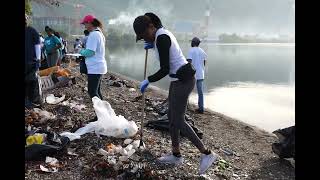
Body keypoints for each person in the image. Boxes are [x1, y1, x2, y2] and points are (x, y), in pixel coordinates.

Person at [133, 12, 218, 175]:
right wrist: (152, 46)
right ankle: (176, 155)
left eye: (145, 35)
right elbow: (167, 57)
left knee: (178, 120)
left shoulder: (162, 37)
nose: (145, 38)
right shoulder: (159, 37)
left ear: (151, 27)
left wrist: (148, 80)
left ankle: (207, 153)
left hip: (183, 81)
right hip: (176, 80)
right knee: (171, 118)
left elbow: (164, 69)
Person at [79, 14, 107, 100]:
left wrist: (80, 51)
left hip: (95, 67)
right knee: (96, 91)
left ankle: (101, 112)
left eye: (85, 24)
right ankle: (103, 111)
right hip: (98, 66)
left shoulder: (94, 34)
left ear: (90, 23)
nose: (85, 27)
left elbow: (90, 52)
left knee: (92, 92)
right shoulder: (99, 33)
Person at [25, 14, 42, 108]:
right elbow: (37, 46)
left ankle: (29, 101)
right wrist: (38, 59)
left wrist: (38, 59)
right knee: (31, 82)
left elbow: (37, 46)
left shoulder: (32, 31)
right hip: (31, 61)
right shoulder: (32, 31)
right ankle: (29, 101)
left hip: (31, 61)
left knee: (31, 82)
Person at [187, 37, 207, 114]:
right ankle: (201, 108)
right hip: (201, 74)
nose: (191, 43)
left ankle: (186, 106)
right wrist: (201, 68)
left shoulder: (191, 50)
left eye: (191, 42)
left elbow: (189, 62)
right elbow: (204, 63)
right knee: (200, 92)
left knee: (187, 89)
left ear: (193, 43)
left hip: (193, 74)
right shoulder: (202, 51)